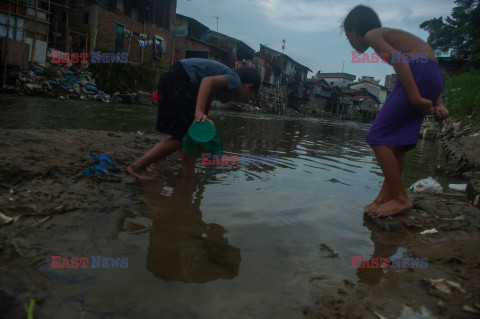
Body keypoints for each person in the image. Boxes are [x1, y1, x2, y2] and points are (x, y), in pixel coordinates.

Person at [342, 5, 449, 218]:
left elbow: (400, 61)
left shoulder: (373, 35)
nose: (351, 43)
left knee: (376, 136)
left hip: (418, 73)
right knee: (397, 145)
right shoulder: (395, 36)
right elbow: (431, 67)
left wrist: (415, 97)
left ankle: (401, 198)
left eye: (348, 37)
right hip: (432, 75)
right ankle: (384, 198)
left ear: (354, 31)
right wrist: (439, 102)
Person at [127, 58, 261, 179]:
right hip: (181, 78)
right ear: (248, 87)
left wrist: (203, 119)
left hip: (175, 78)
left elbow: (206, 93)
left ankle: (188, 177)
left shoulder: (219, 85)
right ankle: (137, 167)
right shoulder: (235, 81)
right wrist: (199, 111)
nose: (247, 99)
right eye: (250, 95)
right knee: (182, 137)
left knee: (188, 135)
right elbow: (206, 82)